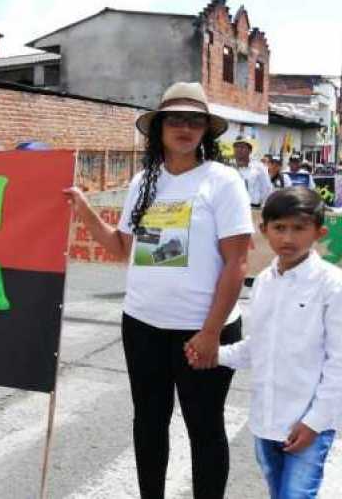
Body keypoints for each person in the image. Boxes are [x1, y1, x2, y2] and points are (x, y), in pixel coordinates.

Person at [66, 82, 252, 499]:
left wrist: (209, 333)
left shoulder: (223, 182)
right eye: (175, 119)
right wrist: (85, 210)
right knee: (149, 424)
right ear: (159, 128)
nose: (184, 128)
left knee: (204, 430)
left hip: (204, 332)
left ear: (206, 130)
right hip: (143, 326)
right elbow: (122, 249)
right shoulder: (143, 182)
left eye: (194, 120)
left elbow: (237, 263)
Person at [207, 188, 341, 499]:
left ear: (319, 232)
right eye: (280, 227)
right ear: (264, 229)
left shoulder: (332, 285)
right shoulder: (265, 281)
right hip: (266, 422)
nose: (288, 238)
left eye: (299, 228)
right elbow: (259, 345)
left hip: (308, 425)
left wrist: (315, 423)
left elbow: (339, 363)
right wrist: (215, 354)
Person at [233, 136, 272, 207]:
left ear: (250, 150)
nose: (239, 150)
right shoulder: (230, 168)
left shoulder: (259, 168)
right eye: (236, 147)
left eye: (242, 147)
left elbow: (267, 189)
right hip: (234, 207)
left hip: (253, 208)